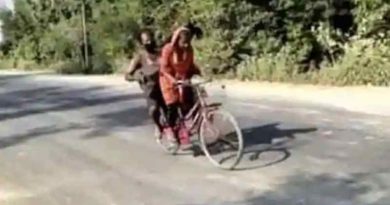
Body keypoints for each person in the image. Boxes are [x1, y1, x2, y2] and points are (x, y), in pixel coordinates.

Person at [159, 26, 201, 148]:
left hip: (182, 79)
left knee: (189, 103)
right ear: (177, 40)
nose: (186, 45)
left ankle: (185, 129)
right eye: (183, 42)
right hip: (168, 81)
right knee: (172, 105)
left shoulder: (189, 50)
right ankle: (169, 129)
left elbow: (191, 65)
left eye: (188, 42)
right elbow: (164, 69)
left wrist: (200, 73)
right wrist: (173, 81)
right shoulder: (168, 49)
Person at [125, 29, 165, 137]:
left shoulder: (160, 52)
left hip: (164, 84)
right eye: (146, 41)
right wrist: (138, 77)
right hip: (150, 88)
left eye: (150, 39)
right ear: (142, 43)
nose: (149, 42)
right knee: (153, 109)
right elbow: (127, 75)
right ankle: (158, 126)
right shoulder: (140, 56)